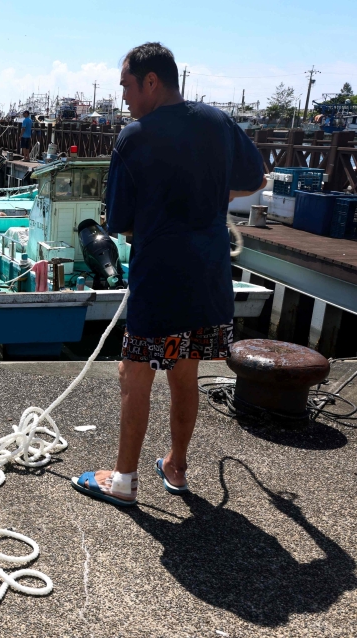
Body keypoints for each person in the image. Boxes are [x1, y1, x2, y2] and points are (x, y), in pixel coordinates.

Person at [70, 42, 264, 507]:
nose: (124, 99)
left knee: (133, 373)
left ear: (152, 81)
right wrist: (213, 194)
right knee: (184, 371)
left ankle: (123, 480)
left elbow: (120, 221)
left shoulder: (135, 137)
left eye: (127, 87)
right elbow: (256, 180)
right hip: (211, 274)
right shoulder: (218, 122)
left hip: (161, 279)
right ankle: (176, 466)